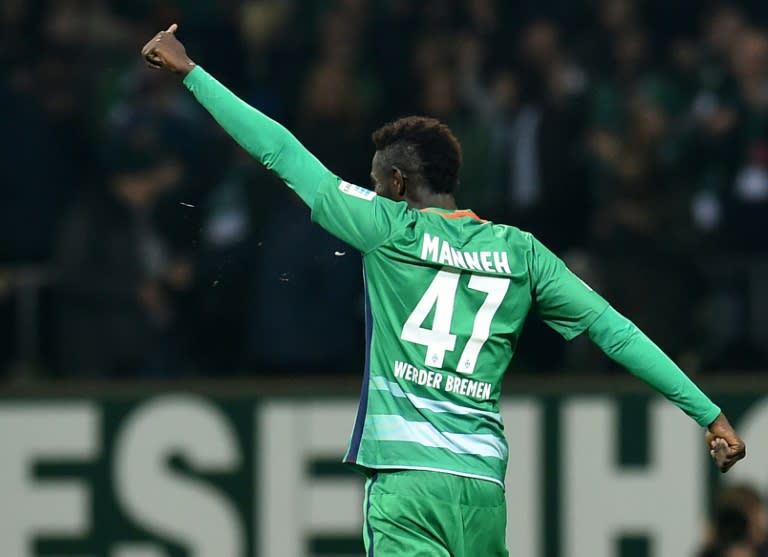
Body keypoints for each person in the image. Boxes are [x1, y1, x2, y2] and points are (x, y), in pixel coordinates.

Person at [141, 24, 747, 557]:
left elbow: (280, 151)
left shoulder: (387, 228)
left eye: (378, 182)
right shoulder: (520, 251)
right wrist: (708, 412)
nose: (373, 191)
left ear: (399, 182)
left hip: (407, 482)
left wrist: (191, 73)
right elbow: (613, 329)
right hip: (481, 487)